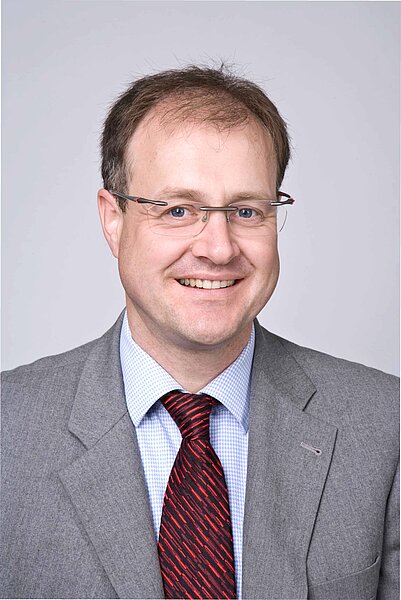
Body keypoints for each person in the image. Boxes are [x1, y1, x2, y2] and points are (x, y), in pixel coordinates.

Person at [1, 65, 399, 600]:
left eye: (246, 211)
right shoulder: (9, 430)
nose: (218, 248)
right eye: (179, 210)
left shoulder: (385, 426)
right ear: (113, 220)